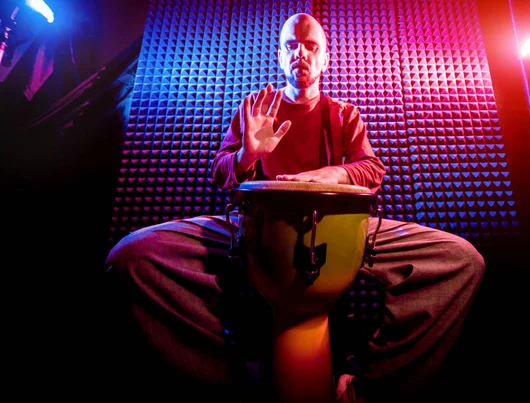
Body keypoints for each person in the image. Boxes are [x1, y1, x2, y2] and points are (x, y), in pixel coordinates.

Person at [105, 13, 485, 402]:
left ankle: (367, 389)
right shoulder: (256, 107)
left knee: (461, 260)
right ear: (280, 55)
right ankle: (232, 377)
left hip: (340, 227)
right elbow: (220, 173)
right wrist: (246, 155)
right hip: (255, 227)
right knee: (133, 257)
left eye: (311, 46)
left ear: (325, 59)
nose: (300, 53)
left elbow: (372, 169)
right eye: (291, 45)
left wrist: (331, 174)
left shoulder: (342, 114)